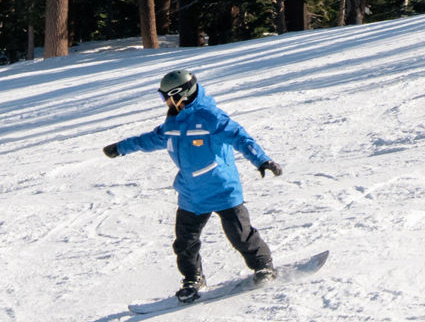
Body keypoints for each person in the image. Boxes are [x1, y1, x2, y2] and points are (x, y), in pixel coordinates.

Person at [104, 69, 288, 303]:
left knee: (240, 235)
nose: (165, 102)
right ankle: (193, 279)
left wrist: (261, 160)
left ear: (181, 94)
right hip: (191, 193)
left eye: (166, 97)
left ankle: (263, 266)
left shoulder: (211, 117)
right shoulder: (172, 120)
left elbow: (240, 137)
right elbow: (151, 139)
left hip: (223, 189)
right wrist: (120, 147)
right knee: (184, 243)